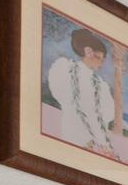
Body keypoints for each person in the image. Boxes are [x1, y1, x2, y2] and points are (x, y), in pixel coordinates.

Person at [45, 26, 117, 157]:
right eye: (100, 58)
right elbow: (62, 95)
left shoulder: (102, 85)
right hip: (73, 130)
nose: (101, 63)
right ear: (88, 52)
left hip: (97, 139)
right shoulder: (65, 68)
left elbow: (109, 113)